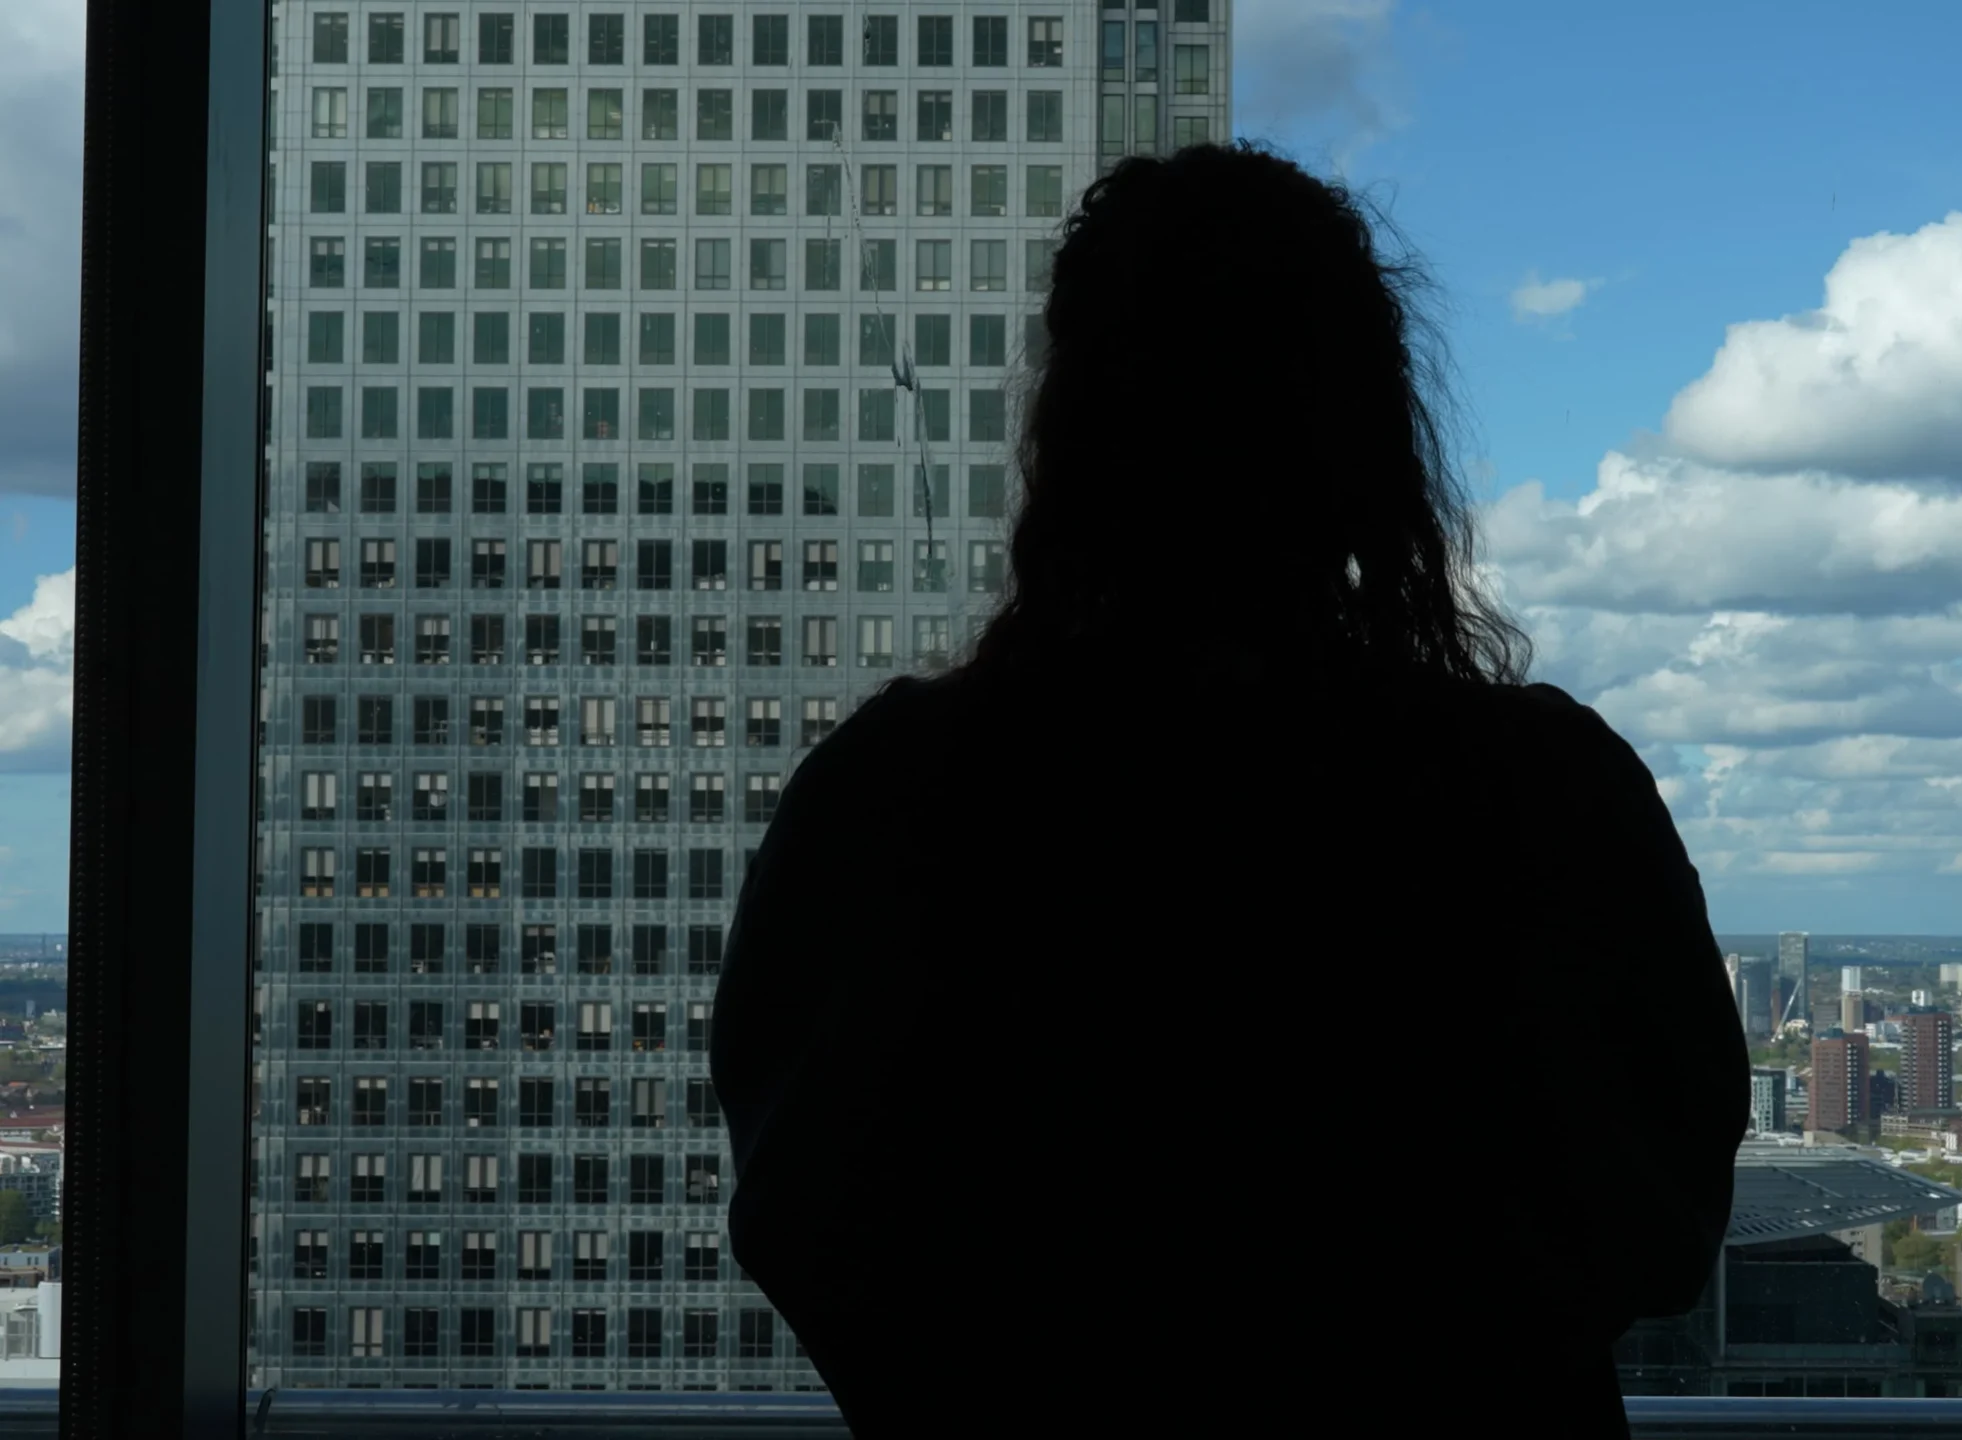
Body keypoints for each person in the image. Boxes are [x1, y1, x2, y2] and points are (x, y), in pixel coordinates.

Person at [712, 142, 1750, 1439]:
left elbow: (809, 1214)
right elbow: (1656, 1219)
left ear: (1072, 430)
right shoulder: (1541, 799)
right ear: (1370, 439)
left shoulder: (895, 801)